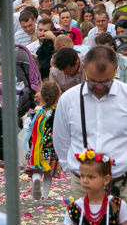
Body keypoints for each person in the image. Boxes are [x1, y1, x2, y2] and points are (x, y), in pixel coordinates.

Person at [54, 46, 127, 200]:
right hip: (82, 187)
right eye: (93, 81)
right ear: (84, 68)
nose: (99, 86)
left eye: (106, 82)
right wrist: (71, 168)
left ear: (115, 70)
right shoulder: (68, 99)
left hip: (122, 184)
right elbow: (61, 139)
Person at [26, 80, 60, 201]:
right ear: (57, 97)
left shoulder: (36, 112)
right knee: (47, 174)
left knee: (37, 169)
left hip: (36, 148)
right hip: (51, 148)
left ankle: (35, 180)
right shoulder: (57, 113)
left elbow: (27, 127)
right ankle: (45, 196)